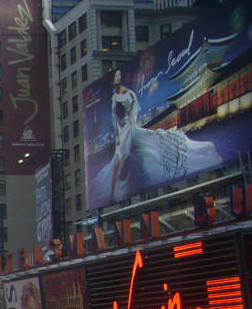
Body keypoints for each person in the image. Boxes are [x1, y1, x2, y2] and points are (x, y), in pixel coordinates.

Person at [91, 69, 221, 206]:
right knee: (120, 160)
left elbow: (132, 112)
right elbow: (115, 118)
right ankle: (115, 193)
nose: (117, 78)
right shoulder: (114, 97)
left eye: (119, 75)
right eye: (116, 76)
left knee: (130, 157)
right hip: (122, 133)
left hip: (129, 130)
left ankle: (116, 193)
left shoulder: (128, 94)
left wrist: (128, 124)